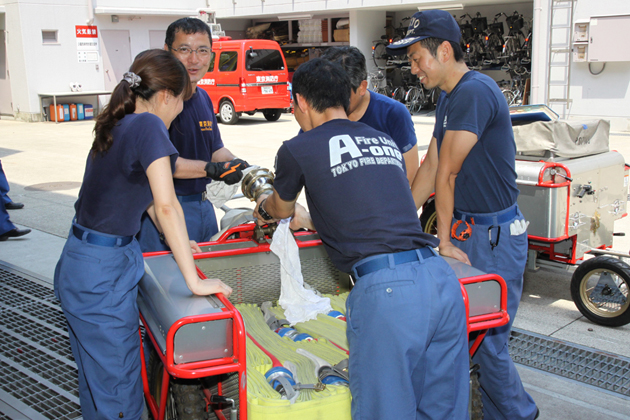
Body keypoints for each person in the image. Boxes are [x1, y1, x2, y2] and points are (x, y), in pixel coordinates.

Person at [253, 58, 468, 420]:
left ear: (301, 101)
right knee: (442, 408)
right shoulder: (381, 139)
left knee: (386, 410)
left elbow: (281, 208)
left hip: (387, 293)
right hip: (439, 280)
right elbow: (368, 213)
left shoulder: (298, 148)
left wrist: (263, 202)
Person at [54, 49, 233, 420]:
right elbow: (167, 207)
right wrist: (195, 281)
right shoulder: (149, 126)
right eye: (181, 102)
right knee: (119, 389)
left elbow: (147, 199)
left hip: (83, 262)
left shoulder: (117, 123)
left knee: (97, 381)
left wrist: (182, 244)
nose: (182, 111)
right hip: (102, 271)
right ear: (166, 96)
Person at [387, 10, 538, 420]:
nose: (413, 68)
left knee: (488, 340)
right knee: (466, 337)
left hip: (494, 237)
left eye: (418, 58)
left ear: (445, 50)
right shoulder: (451, 97)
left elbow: (448, 176)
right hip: (473, 231)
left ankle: (519, 414)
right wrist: (399, 221)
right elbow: (432, 168)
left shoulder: (474, 92)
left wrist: (445, 240)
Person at [137, 17, 248, 252]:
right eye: (185, 50)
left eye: (202, 51)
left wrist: (236, 164)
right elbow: (160, 165)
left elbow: (215, 148)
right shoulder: (159, 103)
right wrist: (210, 169)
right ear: (167, 51)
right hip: (166, 209)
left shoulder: (204, 97)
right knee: (169, 285)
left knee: (207, 276)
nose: (194, 59)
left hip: (204, 206)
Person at [319, 46, 419, 184]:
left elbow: (410, 171)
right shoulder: (318, 114)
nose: (333, 102)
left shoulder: (393, 114)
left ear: (362, 87)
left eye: (342, 95)